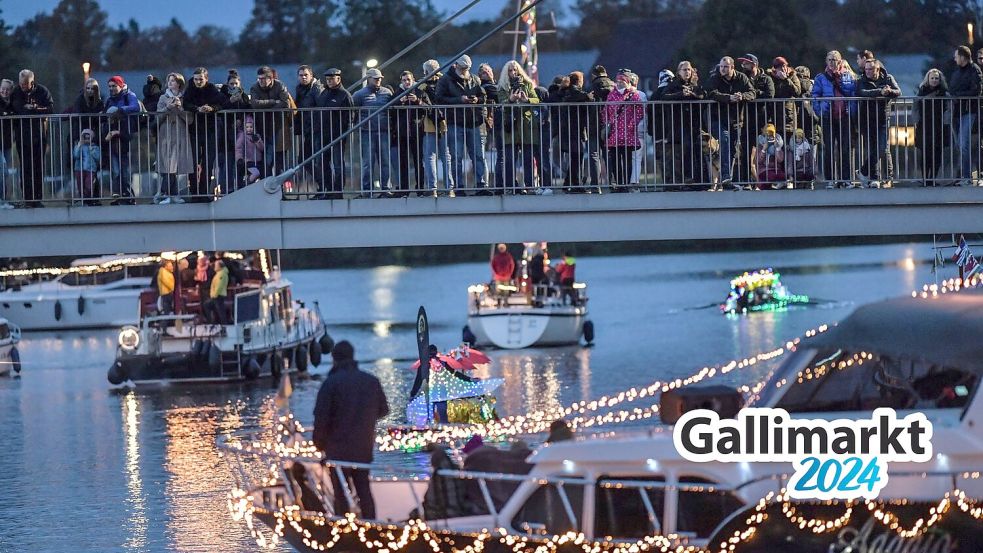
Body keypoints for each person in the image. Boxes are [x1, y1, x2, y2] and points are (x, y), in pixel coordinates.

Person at [313, 341, 390, 519]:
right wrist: (365, 419)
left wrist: (319, 445)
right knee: (364, 490)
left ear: (334, 358)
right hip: (363, 448)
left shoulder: (330, 384)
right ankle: (371, 525)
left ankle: (344, 527)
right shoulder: (371, 381)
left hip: (337, 450)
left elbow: (321, 418)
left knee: (340, 493)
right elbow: (384, 410)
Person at [436, 54, 489, 195]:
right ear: (457, 65)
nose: (465, 70)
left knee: (478, 155)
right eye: (463, 67)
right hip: (455, 122)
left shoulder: (474, 79)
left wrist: (477, 99)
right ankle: (459, 187)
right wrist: (459, 100)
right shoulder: (446, 80)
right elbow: (439, 99)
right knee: (457, 156)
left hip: (473, 122)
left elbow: (483, 96)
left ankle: (481, 185)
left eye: (467, 68)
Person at [706, 57, 756, 189]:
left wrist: (742, 96)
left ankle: (728, 179)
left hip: (735, 119)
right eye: (721, 66)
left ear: (732, 67)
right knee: (724, 139)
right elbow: (710, 93)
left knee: (733, 149)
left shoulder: (741, 78)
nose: (722, 69)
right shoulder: (715, 78)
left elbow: (752, 92)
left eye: (726, 67)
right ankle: (726, 177)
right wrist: (728, 98)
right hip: (717, 117)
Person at [812, 50, 858, 189]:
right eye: (830, 60)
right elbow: (815, 95)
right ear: (826, 61)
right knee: (829, 149)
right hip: (828, 117)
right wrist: (820, 110)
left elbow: (852, 92)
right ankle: (830, 180)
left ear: (840, 61)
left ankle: (846, 179)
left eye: (835, 60)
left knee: (845, 149)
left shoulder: (848, 75)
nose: (832, 62)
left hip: (845, 116)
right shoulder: (821, 78)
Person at [11, 69, 54, 208]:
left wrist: (34, 108)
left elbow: (50, 109)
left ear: (32, 82)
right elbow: (17, 109)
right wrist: (31, 109)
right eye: (21, 84)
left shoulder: (42, 91)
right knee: (25, 168)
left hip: (39, 135)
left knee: (38, 168)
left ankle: (38, 198)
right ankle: (28, 198)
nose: (23, 87)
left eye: (25, 84)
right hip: (22, 136)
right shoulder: (16, 92)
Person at [183, 67, 227, 202]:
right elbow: (186, 104)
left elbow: (223, 102)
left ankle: (203, 192)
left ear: (206, 79)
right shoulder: (190, 89)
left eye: (200, 79)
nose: (198, 82)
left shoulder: (211, 89)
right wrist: (197, 109)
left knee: (208, 162)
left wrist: (212, 108)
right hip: (194, 129)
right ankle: (194, 192)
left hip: (210, 129)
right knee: (193, 162)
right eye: (196, 79)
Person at [662, 61, 707, 188]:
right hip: (678, 123)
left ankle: (697, 180)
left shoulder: (695, 84)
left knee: (696, 150)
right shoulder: (673, 84)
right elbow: (665, 97)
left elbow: (703, 96)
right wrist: (680, 94)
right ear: (678, 72)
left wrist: (692, 94)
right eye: (684, 70)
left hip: (694, 123)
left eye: (689, 70)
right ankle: (685, 179)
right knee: (684, 149)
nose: (687, 72)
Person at [498, 61, 540, 193]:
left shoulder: (527, 84)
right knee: (510, 159)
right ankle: (512, 187)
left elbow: (536, 100)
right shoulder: (503, 86)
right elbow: (501, 104)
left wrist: (526, 100)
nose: (513, 73)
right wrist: (510, 100)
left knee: (528, 159)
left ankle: (529, 186)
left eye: (515, 70)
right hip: (510, 126)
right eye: (510, 70)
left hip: (526, 126)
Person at [856, 59, 900, 188]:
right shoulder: (861, 80)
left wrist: (889, 92)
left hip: (882, 118)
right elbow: (862, 93)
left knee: (882, 148)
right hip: (866, 119)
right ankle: (874, 178)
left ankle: (863, 171)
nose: (868, 72)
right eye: (866, 69)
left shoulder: (888, 78)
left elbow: (898, 91)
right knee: (872, 148)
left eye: (871, 69)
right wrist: (880, 92)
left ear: (878, 69)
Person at [352, 68, 395, 197]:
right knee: (367, 163)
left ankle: (385, 189)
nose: (378, 81)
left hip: (384, 131)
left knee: (385, 162)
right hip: (367, 132)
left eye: (380, 78)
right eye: (376, 79)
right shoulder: (359, 94)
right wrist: (356, 125)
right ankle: (367, 190)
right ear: (368, 79)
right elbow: (353, 110)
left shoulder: (387, 93)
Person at [604, 69, 645, 193]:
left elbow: (640, 111)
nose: (620, 83)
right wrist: (608, 122)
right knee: (615, 160)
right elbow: (605, 110)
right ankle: (619, 183)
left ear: (627, 82)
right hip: (615, 134)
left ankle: (627, 183)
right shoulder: (611, 95)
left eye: (622, 81)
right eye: (618, 81)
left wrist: (632, 123)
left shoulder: (634, 95)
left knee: (627, 160)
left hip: (628, 133)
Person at [156, 72, 194, 204]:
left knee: (175, 166)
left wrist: (180, 109)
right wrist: (168, 107)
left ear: (179, 83)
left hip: (180, 135)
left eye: (173, 81)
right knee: (167, 166)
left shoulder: (185, 99)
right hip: (166, 135)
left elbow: (190, 120)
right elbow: (157, 117)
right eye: (169, 81)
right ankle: (167, 194)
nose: (170, 83)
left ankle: (171, 194)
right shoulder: (163, 98)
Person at [103, 75, 141, 204]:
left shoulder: (128, 95)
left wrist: (119, 110)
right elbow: (104, 115)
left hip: (124, 137)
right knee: (115, 170)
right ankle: (120, 196)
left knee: (123, 170)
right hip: (112, 138)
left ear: (120, 85)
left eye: (114, 86)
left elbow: (135, 107)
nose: (112, 89)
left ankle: (128, 196)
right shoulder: (109, 99)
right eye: (110, 86)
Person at [316, 68, 353, 200]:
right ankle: (328, 189)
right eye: (328, 79)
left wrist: (345, 133)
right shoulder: (324, 93)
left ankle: (338, 191)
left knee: (338, 163)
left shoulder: (344, 95)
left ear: (339, 79)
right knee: (323, 162)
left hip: (338, 134)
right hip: (324, 133)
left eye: (332, 79)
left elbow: (349, 117)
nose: (330, 81)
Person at [418, 60, 453, 196]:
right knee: (445, 156)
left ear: (426, 71)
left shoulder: (422, 85)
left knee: (431, 156)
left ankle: (433, 188)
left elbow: (419, 97)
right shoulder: (445, 82)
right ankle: (449, 187)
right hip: (443, 122)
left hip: (431, 123)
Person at [949, 46, 981, 186]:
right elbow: (952, 88)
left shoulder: (974, 70)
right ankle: (962, 175)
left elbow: (976, 90)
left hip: (968, 111)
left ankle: (967, 176)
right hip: (957, 112)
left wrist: (958, 96)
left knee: (964, 145)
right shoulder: (957, 72)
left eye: (957, 56)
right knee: (959, 145)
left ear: (963, 57)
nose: (955, 59)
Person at [249, 66, 291, 174]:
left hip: (278, 126)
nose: (260, 81)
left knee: (278, 159)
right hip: (262, 126)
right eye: (259, 78)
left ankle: (280, 188)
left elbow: (285, 103)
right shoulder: (254, 87)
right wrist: (273, 102)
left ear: (270, 78)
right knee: (265, 159)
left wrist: (267, 108)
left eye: (263, 78)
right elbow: (255, 104)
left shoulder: (279, 85)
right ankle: (265, 183)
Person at [390, 70, 425, 196]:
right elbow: (390, 110)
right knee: (403, 162)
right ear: (401, 82)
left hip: (417, 132)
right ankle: (404, 190)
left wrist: (417, 101)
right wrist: (400, 102)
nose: (407, 82)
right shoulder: (397, 93)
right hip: (402, 134)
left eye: (409, 79)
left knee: (419, 162)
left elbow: (428, 108)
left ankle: (420, 188)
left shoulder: (420, 92)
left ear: (413, 79)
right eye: (404, 80)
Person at [914, 69, 948, 187]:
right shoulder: (922, 91)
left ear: (940, 80)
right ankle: (925, 178)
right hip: (924, 125)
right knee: (925, 152)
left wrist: (946, 121)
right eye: (932, 78)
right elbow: (915, 107)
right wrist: (916, 120)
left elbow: (948, 108)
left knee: (937, 152)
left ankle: (933, 178)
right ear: (928, 79)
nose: (934, 80)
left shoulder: (944, 93)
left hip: (939, 125)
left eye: (936, 78)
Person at [72, 129, 101, 206]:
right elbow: (75, 155)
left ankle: (88, 199)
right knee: (80, 185)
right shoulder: (79, 146)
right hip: (79, 169)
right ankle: (82, 200)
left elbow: (98, 158)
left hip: (91, 169)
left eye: (89, 138)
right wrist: (79, 145)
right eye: (85, 137)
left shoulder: (95, 147)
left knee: (89, 185)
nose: (87, 140)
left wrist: (92, 151)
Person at [754, 123, 786, 189]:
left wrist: (777, 148)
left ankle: (775, 185)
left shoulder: (778, 142)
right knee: (771, 176)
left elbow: (780, 159)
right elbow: (759, 161)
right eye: (767, 132)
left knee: (783, 176)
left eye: (771, 132)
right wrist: (764, 149)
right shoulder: (760, 144)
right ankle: (772, 185)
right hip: (764, 170)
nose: (769, 134)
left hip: (776, 169)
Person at [236, 116, 266, 185]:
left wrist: (257, 141)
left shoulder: (256, 135)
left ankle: (249, 184)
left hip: (257, 161)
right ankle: (246, 183)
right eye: (247, 127)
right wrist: (239, 158)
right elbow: (238, 148)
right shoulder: (242, 136)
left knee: (259, 175)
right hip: (248, 161)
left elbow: (262, 148)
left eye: (251, 127)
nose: (249, 129)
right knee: (256, 173)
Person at [203, 259, 229, 324]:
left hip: (218, 295)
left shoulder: (221, 274)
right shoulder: (219, 273)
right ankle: (214, 322)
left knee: (219, 310)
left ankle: (222, 323)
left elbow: (219, 285)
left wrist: (215, 294)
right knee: (216, 308)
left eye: (216, 265)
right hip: (217, 295)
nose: (215, 266)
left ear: (220, 266)